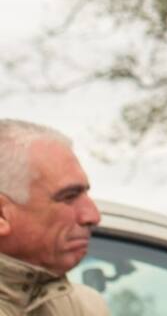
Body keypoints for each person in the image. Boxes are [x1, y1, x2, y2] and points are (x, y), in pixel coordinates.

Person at [0, 120, 109, 315]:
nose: (93, 216)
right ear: (2, 215)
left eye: (85, 194)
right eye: (69, 197)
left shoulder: (83, 308)